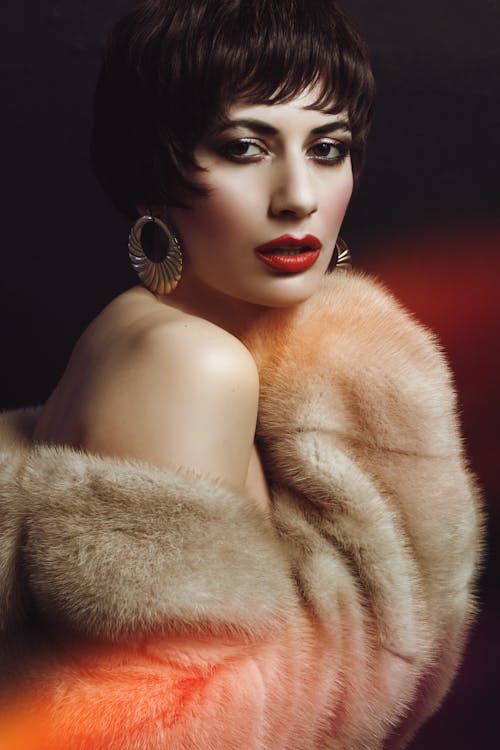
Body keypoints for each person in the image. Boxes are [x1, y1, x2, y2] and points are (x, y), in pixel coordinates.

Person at [0, 1, 483, 748]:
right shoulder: (192, 363)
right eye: (244, 147)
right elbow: (179, 726)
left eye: (327, 148)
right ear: (152, 171)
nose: (297, 196)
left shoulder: (150, 328)